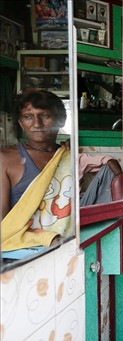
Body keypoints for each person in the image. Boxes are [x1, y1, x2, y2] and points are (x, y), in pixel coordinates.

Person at [1, 89, 72, 251]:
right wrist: (43, 238)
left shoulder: (69, 155)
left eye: (45, 115)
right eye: (28, 117)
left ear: (61, 120)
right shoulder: (6, 159)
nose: (37, 124)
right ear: (20, 123)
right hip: (21, 251)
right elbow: (3, 226)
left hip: (67, 245)